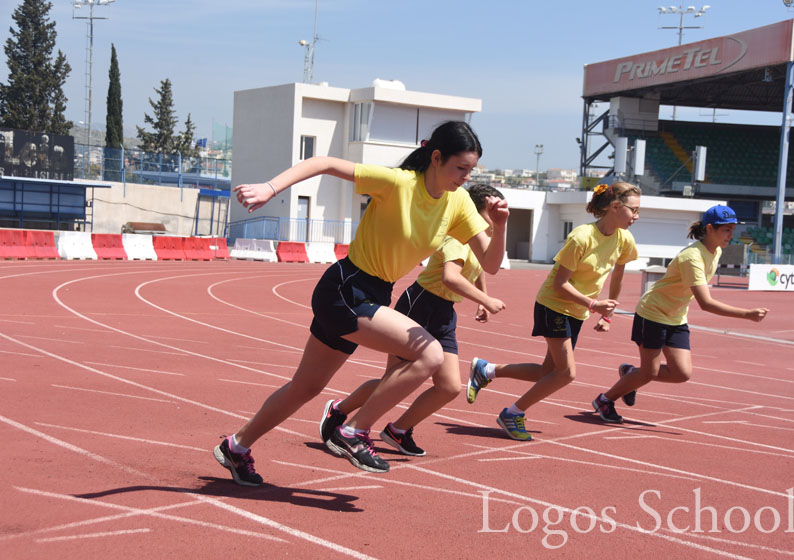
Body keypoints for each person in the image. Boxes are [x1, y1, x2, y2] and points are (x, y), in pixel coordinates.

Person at [214, 121, 509, 484]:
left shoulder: (459, 201)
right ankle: (353, 431)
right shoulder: (399, 183)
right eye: (460, 168)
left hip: (374, 293)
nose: (465, 177)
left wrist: (500, 225)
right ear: (436, 157)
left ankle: (237, 446)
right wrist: (269, 188)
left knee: (306, 388)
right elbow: (323, 162)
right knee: (430, 355)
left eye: (471, 171)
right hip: (346, 288)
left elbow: (492, 265)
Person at [318, 184, 507, 457]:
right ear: (477, 213)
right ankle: (341, 409)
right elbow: (450, 277)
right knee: (396, 378)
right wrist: (486, 300)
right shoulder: (458, 237)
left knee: (450, 386)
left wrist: (482, 298)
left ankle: (399, 429)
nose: (496, 215)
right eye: (491, 211)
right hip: (421, 303)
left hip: (444, 312)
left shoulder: (482, 240)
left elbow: (479, 268)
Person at [467, 181, 640, 440]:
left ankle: (487, 370)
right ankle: (513, 413)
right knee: (566, 373)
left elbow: (617, 278)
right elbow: (560, 284)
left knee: (547, 373)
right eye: (633, 210)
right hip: (554, 305)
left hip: (578, 311)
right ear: (615, 207)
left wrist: (607, 314)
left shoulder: (624, 240)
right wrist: (594, 305)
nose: (637, 217)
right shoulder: (581, 237)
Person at [591, 204, 769, 422]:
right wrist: (747, 314)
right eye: (727, 230)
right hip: (653, 314)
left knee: (681, 373)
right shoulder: (692, 258)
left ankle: (631, 374)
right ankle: (605, 399)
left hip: (675, 317)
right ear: (710, 228)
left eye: (733, 230)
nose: (731, 235)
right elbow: (706, 303)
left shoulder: (717, 251)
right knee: (649, 372)